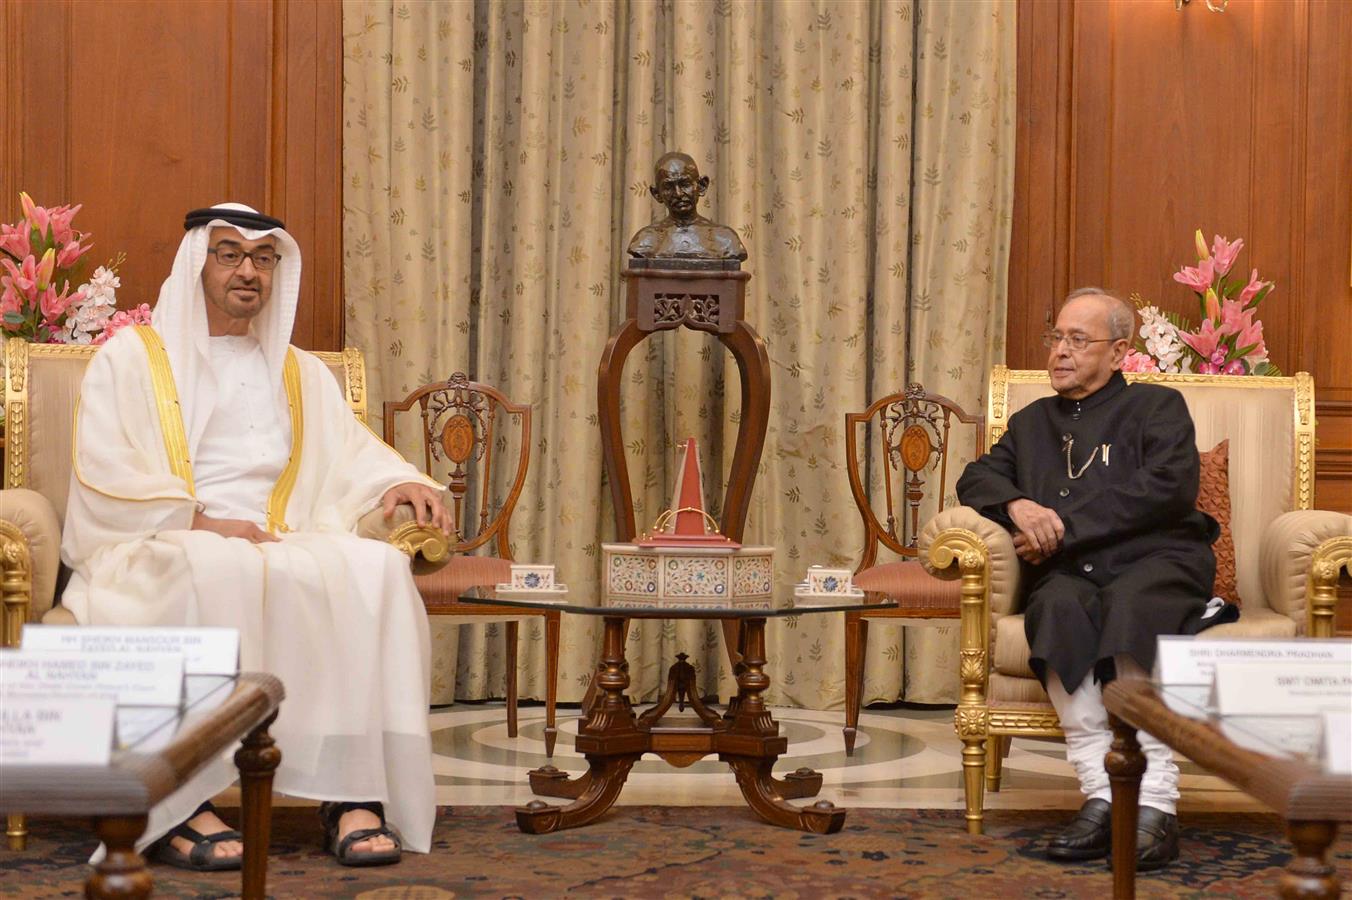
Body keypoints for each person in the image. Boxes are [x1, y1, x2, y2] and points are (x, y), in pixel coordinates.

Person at [61, 204, 453, 869]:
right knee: (213, 568)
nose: (248, 271)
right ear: (198, 265)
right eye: (229, 254)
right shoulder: (130, 359)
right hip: (163, 537)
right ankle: (183, 802)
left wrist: (395, 485)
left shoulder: (296, 372)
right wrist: (201, 522)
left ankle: (353, 793)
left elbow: (350, 456)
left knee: (375, 571)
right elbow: (103, 467)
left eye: (263, 259)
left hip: (281, 534)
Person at [956, 287, 1231, 871]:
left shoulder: (1158, 407)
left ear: (1119, 352)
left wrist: (1063, 527)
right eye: (1055, 336)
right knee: (1054, 607)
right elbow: (976, 479)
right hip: (1073, 573)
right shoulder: (1031, 423)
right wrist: (1018, 509)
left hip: (1158, 559)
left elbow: (1166, 490)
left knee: (1132, 606)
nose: (1060, 351)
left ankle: (1155, 804)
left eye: (1078, 340)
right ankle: (1100, 795)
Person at [627, 151, 747, 261]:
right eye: (668, 187)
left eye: (685, 184)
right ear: (657, 194)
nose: (678, 194)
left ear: (701, 186)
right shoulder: (646, 241)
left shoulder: (725, 240)